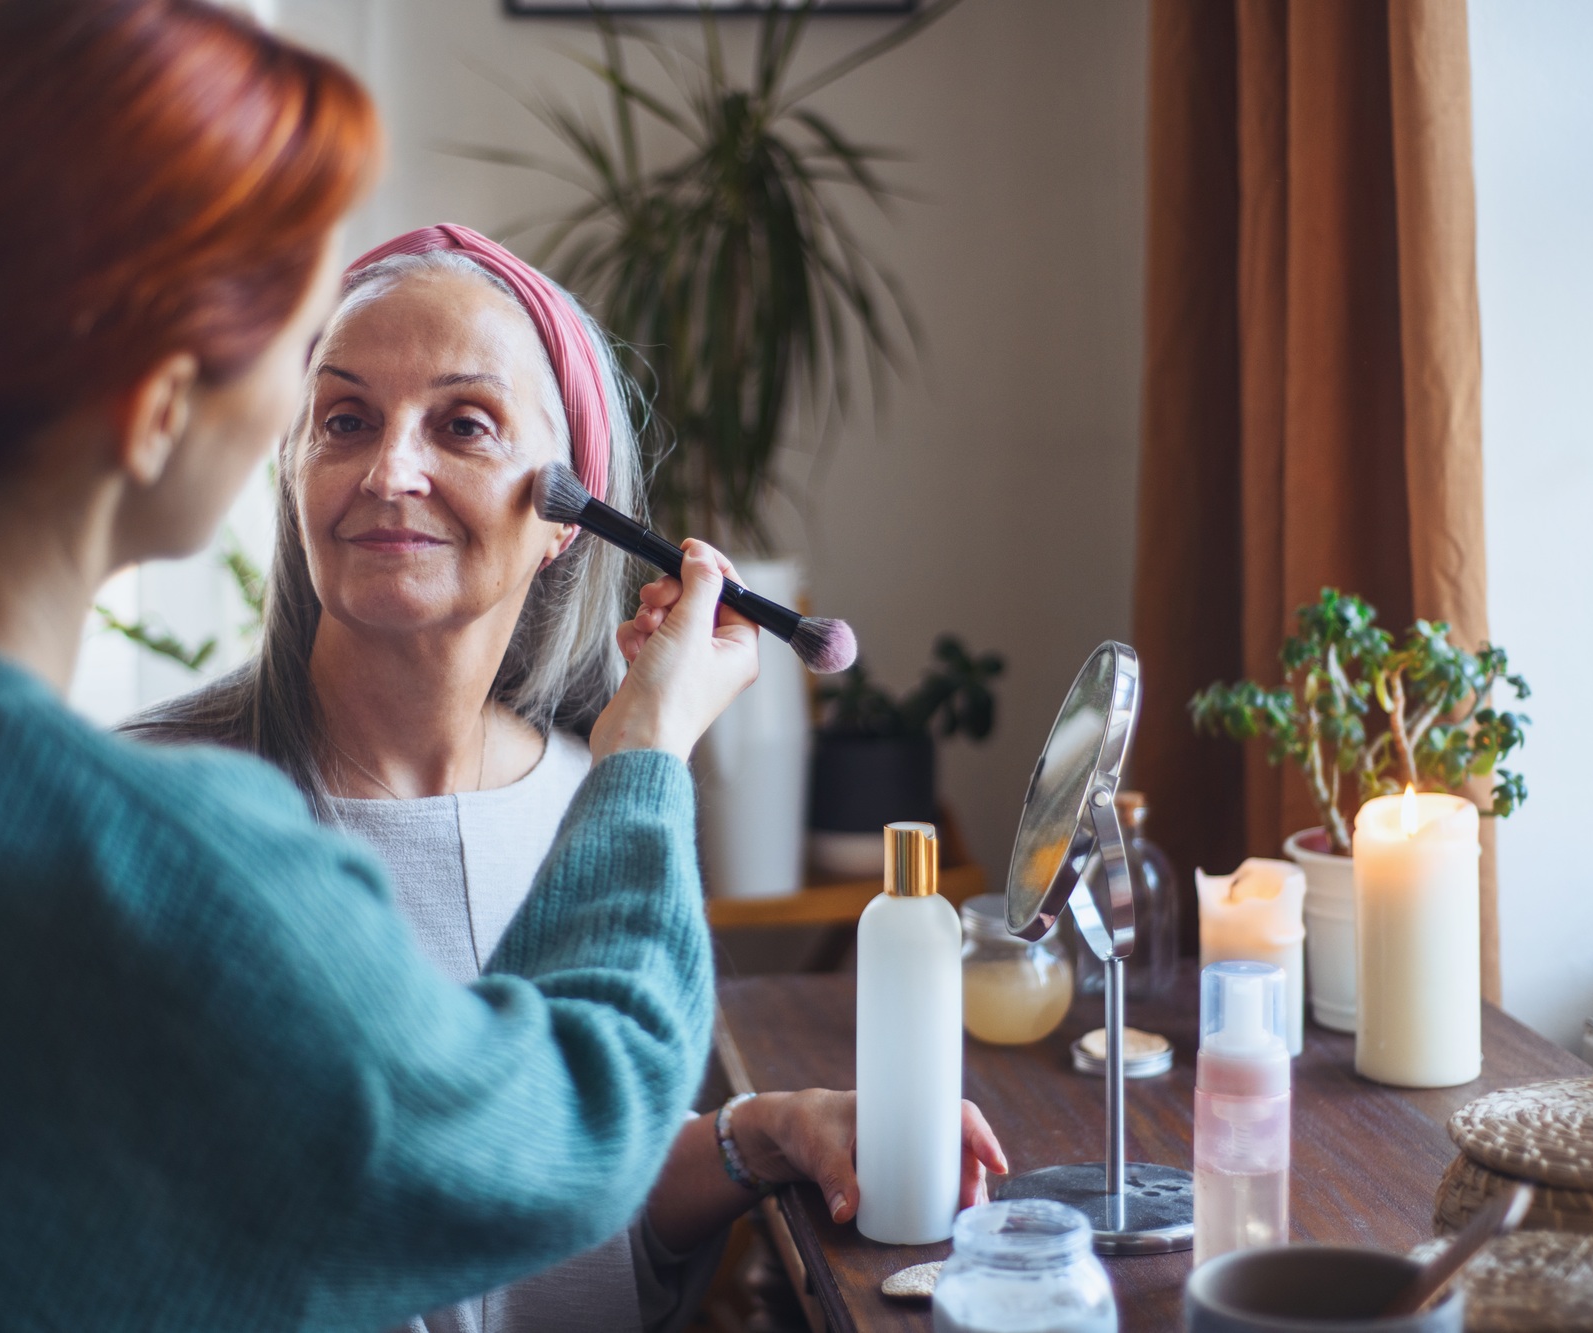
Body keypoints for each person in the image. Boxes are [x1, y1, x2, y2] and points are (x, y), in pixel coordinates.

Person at [0, 3, 763, 1328]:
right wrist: (650, 751)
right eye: (313, 379)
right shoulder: (169, 880)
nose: (385, 466)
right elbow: (581, 1123)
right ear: (156, 408)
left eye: (462, 424)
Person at [125, 225, 1009, 1332]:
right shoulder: (155, 810)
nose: (390, 470)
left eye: (464, 424)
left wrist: (761, 1133)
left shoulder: (595, 800)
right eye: (343, 420)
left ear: (563, 524)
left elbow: (565, 1178)